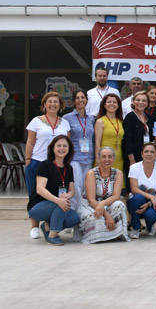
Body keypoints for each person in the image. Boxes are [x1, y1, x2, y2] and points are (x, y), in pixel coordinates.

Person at [25, 91, 71, 239]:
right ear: (44, 104)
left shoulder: (65, 123)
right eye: (49, 101)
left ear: (60, 105)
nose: (52, 104)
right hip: (37, 162)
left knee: (54, 194)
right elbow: (30, 142)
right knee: (35, 195)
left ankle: (48, 224)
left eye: (56, 102)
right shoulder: (36, 121)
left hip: (56, 165)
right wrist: (28, 161)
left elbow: (67, 144)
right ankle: (34, 226)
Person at [27, 135, 79, 245]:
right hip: (38, 207)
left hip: (57, 204)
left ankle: (47, 226)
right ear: (53, 148)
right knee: (61, 204)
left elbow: (72, 190)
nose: (61, 148)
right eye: (58, 145)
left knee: (74, 218)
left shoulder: (68, 168)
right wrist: (58, 200)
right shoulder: (45, 165)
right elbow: (40, 189)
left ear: (69, 149)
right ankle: (52, 235)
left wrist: (68, 196)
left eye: (65, 146)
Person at [77, 146, 129, 243]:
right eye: (104, 157)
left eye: (110, 157)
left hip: (107, 203)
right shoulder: (91, 173)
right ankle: (99, 237)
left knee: (120, 205)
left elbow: (116, 196)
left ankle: (118, 234)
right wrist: (106, 214)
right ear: (99, 158)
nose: (107, 159)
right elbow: (91, 199)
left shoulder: (118, 173)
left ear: (113, 159)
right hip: (90, 204)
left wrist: (102, 204)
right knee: (96, 218)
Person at [63, 90, 94, 210]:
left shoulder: (91, 118)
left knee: (87, 187)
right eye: (77, 98)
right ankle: (73, 213)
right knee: (76, 186)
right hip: (74, 157)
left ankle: (83, 213)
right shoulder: (67, 118)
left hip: (89, 157)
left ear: (86, 100)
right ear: (73, 101)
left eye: (83, 97)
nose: (80, 100)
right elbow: (66, 139)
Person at [126, 143, 156, 238]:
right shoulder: (134, 168)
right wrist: (151, 197)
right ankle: (135, 227)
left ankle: (149, 226)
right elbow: (134, 189)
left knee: (151, 215)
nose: (149, 154)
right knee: (137, 198)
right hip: (139, 200)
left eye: (152, 152)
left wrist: (149, 203)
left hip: (154, 200)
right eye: (146, 151)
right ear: (142, 154)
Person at [94, 93, 125, 188]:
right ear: (104, 105)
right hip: (105, 158)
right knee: (104, 187)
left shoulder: (121, 121)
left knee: (117, 186)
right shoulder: (100, 121)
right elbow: (97, 142)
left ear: (118, 105)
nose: (112, 104)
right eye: (109, 102)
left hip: (118, 158)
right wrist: (98, 159)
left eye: (114, 102)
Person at [123, 90, 151, 182]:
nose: (141, 102)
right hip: (133, 156)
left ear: (147, 103)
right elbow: (127, 140)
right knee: (133, 182)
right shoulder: (130, 117)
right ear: (133, 102)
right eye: (138, 100)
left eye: (144, 100)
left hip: (146, 156)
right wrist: (132, 160)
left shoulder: (148, 117)